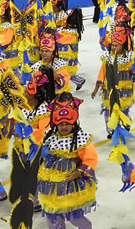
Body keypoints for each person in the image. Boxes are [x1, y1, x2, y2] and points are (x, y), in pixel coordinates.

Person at [37, 93, 97, 229]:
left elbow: (90, 157)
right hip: (50, 188)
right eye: (61, 124)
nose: (64, 127)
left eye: (67, 124)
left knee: (74, 214)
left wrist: (80, 171)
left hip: (70, 187)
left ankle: (86, 226)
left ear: (73, 122)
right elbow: (37, 148)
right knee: (53, 214)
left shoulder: (80, 139)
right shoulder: (49, 137)